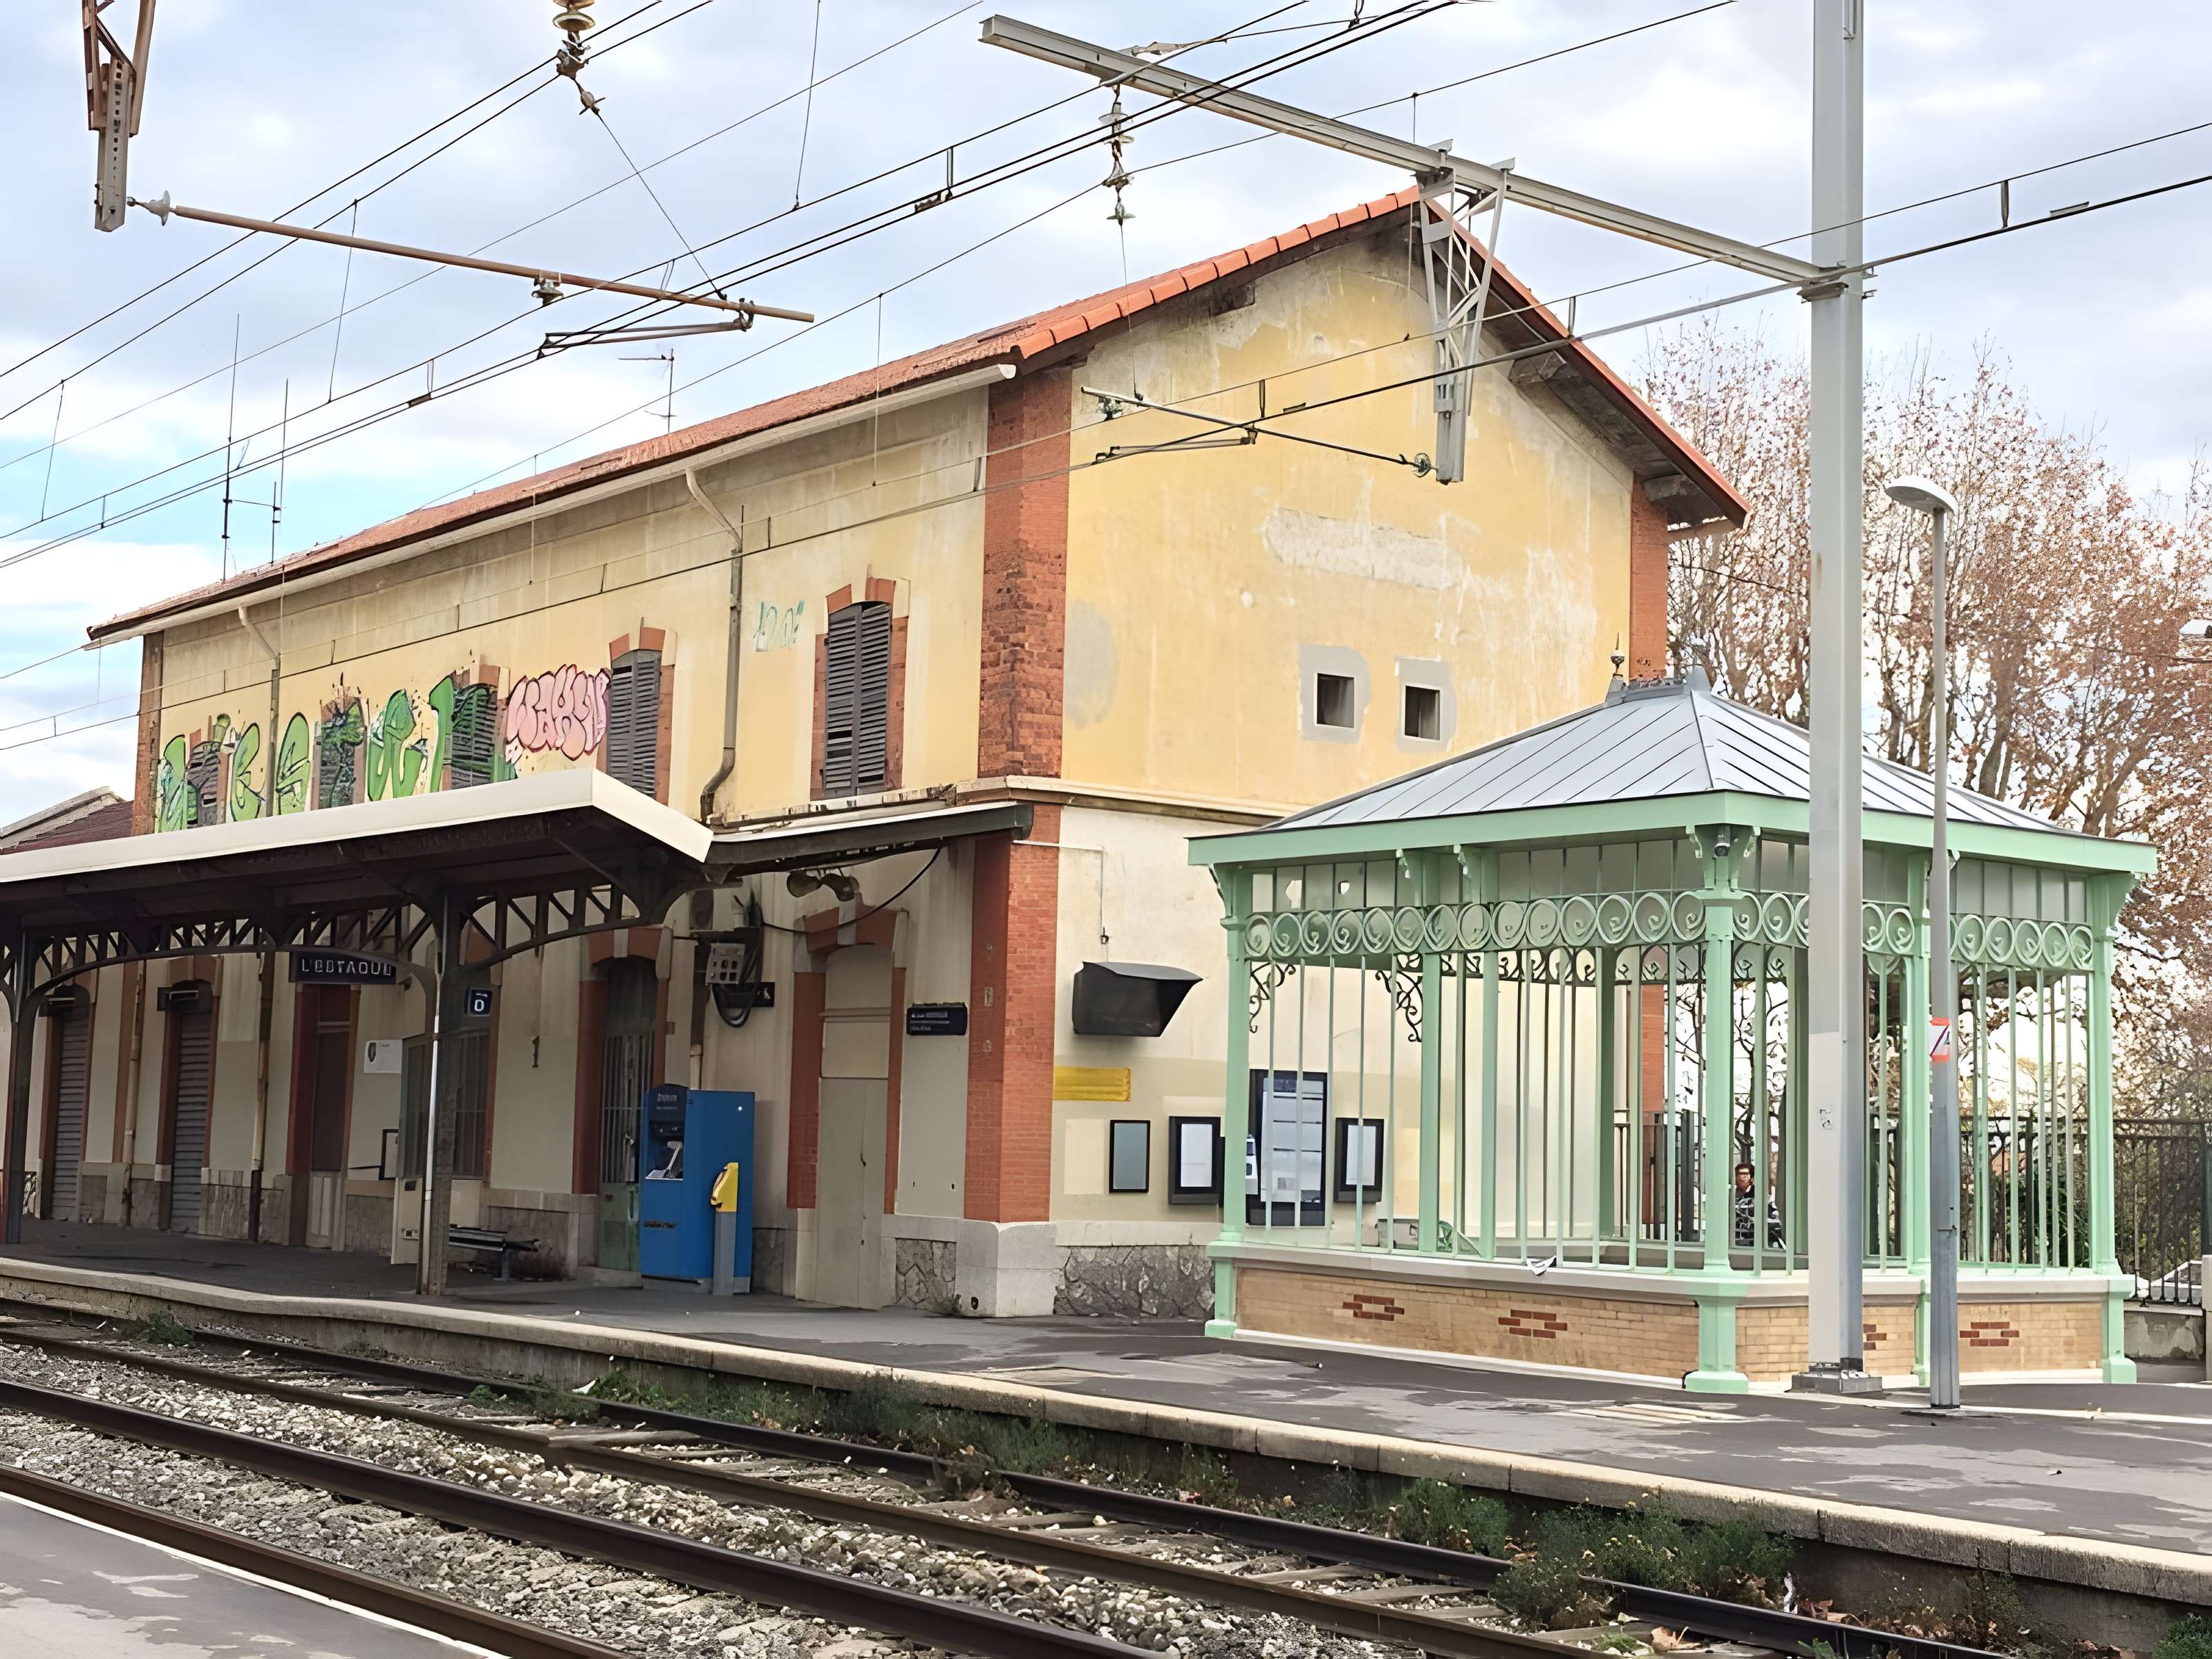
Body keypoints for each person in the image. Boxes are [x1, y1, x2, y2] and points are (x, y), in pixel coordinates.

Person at [1732, 1162, 1783, 1250]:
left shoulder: (1759, 1194)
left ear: (1751, 1177)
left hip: (1755, 1240)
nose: (1741, 1177)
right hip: (1736, 1240)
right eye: (1738, 1174)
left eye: (1745, 1174)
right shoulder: (1732, 1194)